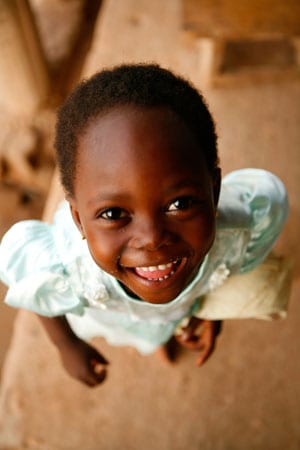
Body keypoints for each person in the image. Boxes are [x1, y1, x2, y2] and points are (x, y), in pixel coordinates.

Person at [0, 64, 288, 387]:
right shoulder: (70, 267)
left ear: (215, 191)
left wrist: (211, 312)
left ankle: (166, 332)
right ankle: (155, 340)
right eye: (113, 214)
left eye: (179, 204)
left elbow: (220, 274)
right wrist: (66, 345)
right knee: (144, 336)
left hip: (177, 307)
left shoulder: (235, 234)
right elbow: (38, 291)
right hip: (118, 319)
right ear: (78, 218)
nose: (152, 239)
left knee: (163, 323)